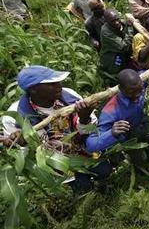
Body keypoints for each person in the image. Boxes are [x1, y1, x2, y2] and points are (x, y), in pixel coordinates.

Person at [0, 65, 111, 194]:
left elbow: (91, 131)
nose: (59, 85)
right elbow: (21, 152)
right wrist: (19, 144)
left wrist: (84, 117)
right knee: (82, 189)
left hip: (82, 150)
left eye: (57, 80)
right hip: (55, 164)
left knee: (105, 170)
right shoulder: (15, 117)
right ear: (33, 90)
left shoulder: (69, 96)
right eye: (51, 83)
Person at [86, 69, 149, 165]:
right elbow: (90, 144)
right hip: (128, 137)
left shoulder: (138, 84)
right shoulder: (110, 111)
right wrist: (112, 133)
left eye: (140, 89)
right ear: (121, 89)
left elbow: (146, 72)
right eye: (131, 92)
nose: (138, 94)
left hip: (143, 124)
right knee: (142, 161)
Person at [99, 9, 134, 85]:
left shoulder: (119, 21)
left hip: (122, 53)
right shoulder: (106, 32)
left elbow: (124, 23)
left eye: (117, 19)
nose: (116, 22)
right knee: (115, 77)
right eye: (112, 21)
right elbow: (123, 46)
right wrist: (130, 29)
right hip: (112, 55)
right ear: (107, 21)